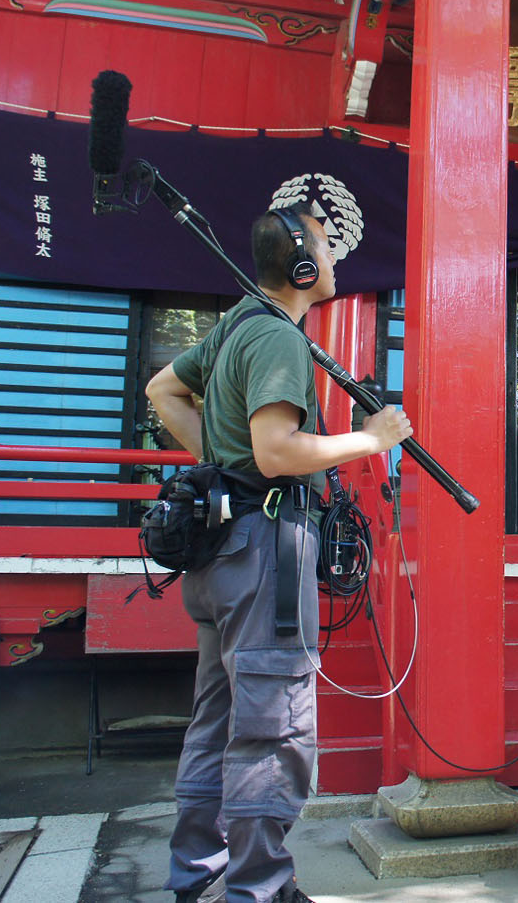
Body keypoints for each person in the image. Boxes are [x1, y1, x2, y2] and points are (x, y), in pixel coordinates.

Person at [146, 204, 411, 903]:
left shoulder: (235, 324)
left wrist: (218, 460)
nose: (335, 260)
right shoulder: (279, 339)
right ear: (300, 264)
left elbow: (162, 391)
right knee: (273, 722)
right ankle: (259, 888)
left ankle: (195, 877)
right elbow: (276, 450)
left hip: (218, 557)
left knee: (216, 718)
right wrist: (372, 440)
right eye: (327, 248)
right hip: (262, 549)